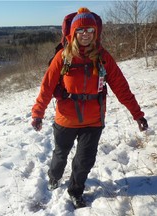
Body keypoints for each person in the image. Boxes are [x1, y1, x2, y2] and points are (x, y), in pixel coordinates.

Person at [31, 7, 148, 209]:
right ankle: (54, 176)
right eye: (81, 30)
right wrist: (37, 114)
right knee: (60, 155)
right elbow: (46, 87)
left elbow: (122, 88)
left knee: (84, 161)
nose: (85, 34)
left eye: (90, 30)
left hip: (93, 121)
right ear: (73, 32)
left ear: (96, 33)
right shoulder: (63, 57)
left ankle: (76, 191)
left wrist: (138, 115)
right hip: (65, 120)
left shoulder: (103, 58)